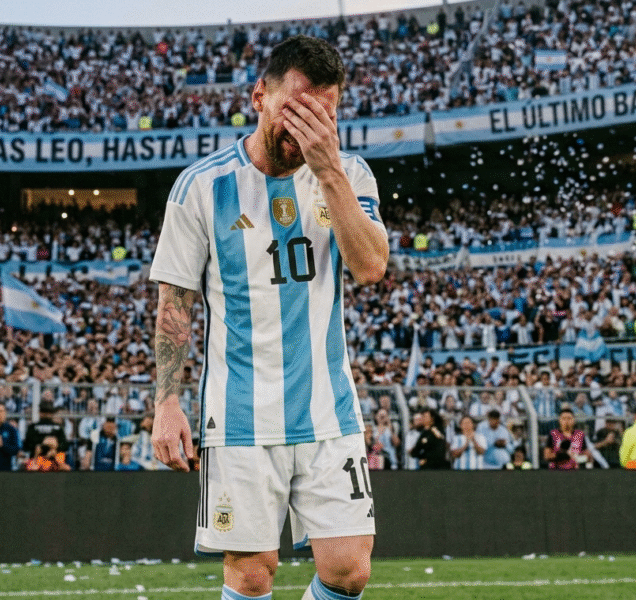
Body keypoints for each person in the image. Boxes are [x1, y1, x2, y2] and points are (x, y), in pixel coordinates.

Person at [150, 35, 387, 600]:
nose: (306, 126)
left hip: (328, 408)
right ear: (259, 96)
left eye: (323, 114)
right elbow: (174, 306)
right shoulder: (202, 187)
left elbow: (372, 266)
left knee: (348, 569)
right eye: (295, 108)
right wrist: (166, 402)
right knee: (252, 571)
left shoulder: (349, 174)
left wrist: (329, 175)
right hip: (238, 414)